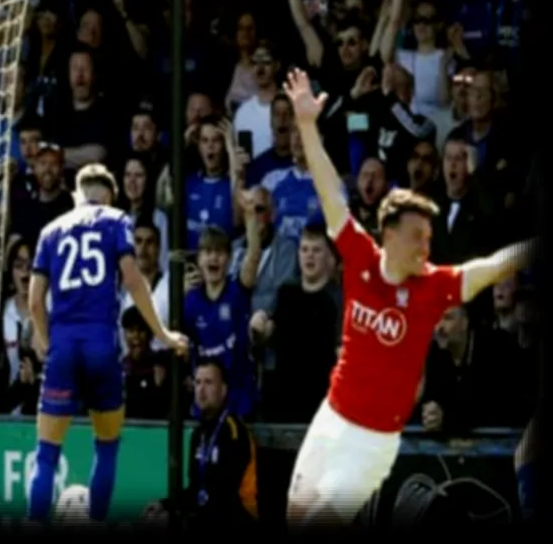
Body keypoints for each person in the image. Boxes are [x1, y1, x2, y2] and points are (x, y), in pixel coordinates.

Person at [281, 69, 534, 528]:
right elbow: (327, 187)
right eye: (417, 237)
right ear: (389, 235)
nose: (425, 247)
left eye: (429, 238)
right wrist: (304, 123)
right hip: (332, 417)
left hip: (372, 439)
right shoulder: (358, 254)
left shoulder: (434, 286)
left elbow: (494, 267)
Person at [26, 164, 188, 524]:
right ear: (110, 197)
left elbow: (36, 301)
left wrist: (49, 341)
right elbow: (132, 279)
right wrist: (163, 334)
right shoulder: (116, 220)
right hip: (101, 344)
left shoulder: (51, 230)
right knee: (108, 446)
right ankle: (97, 521)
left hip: (64, 346)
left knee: (47, 454)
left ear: (76, 196)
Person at [143, 361, 259, 530]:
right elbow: (195, 489)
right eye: (197, 382)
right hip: (208, 516)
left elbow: (226, 495)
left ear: (223, 390)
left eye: (208, 382)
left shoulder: (233, 431)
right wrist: (165, 505)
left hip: (238, 518)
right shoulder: (199, 434)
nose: (201, 390)